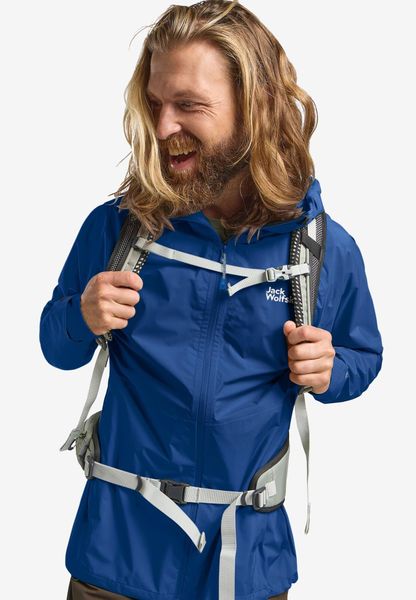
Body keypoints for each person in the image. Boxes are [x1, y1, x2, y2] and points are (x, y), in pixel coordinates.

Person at [39, 1, 383, 599]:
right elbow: (55, 344)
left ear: (255, 107)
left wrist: (331, 370)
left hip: (246, 567)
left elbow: (363, 357)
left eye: (188, 105)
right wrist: (81, 316)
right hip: (116, 559)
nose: (162, 127)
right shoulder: (119, 228)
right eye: (155, 104)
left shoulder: (321, 249)